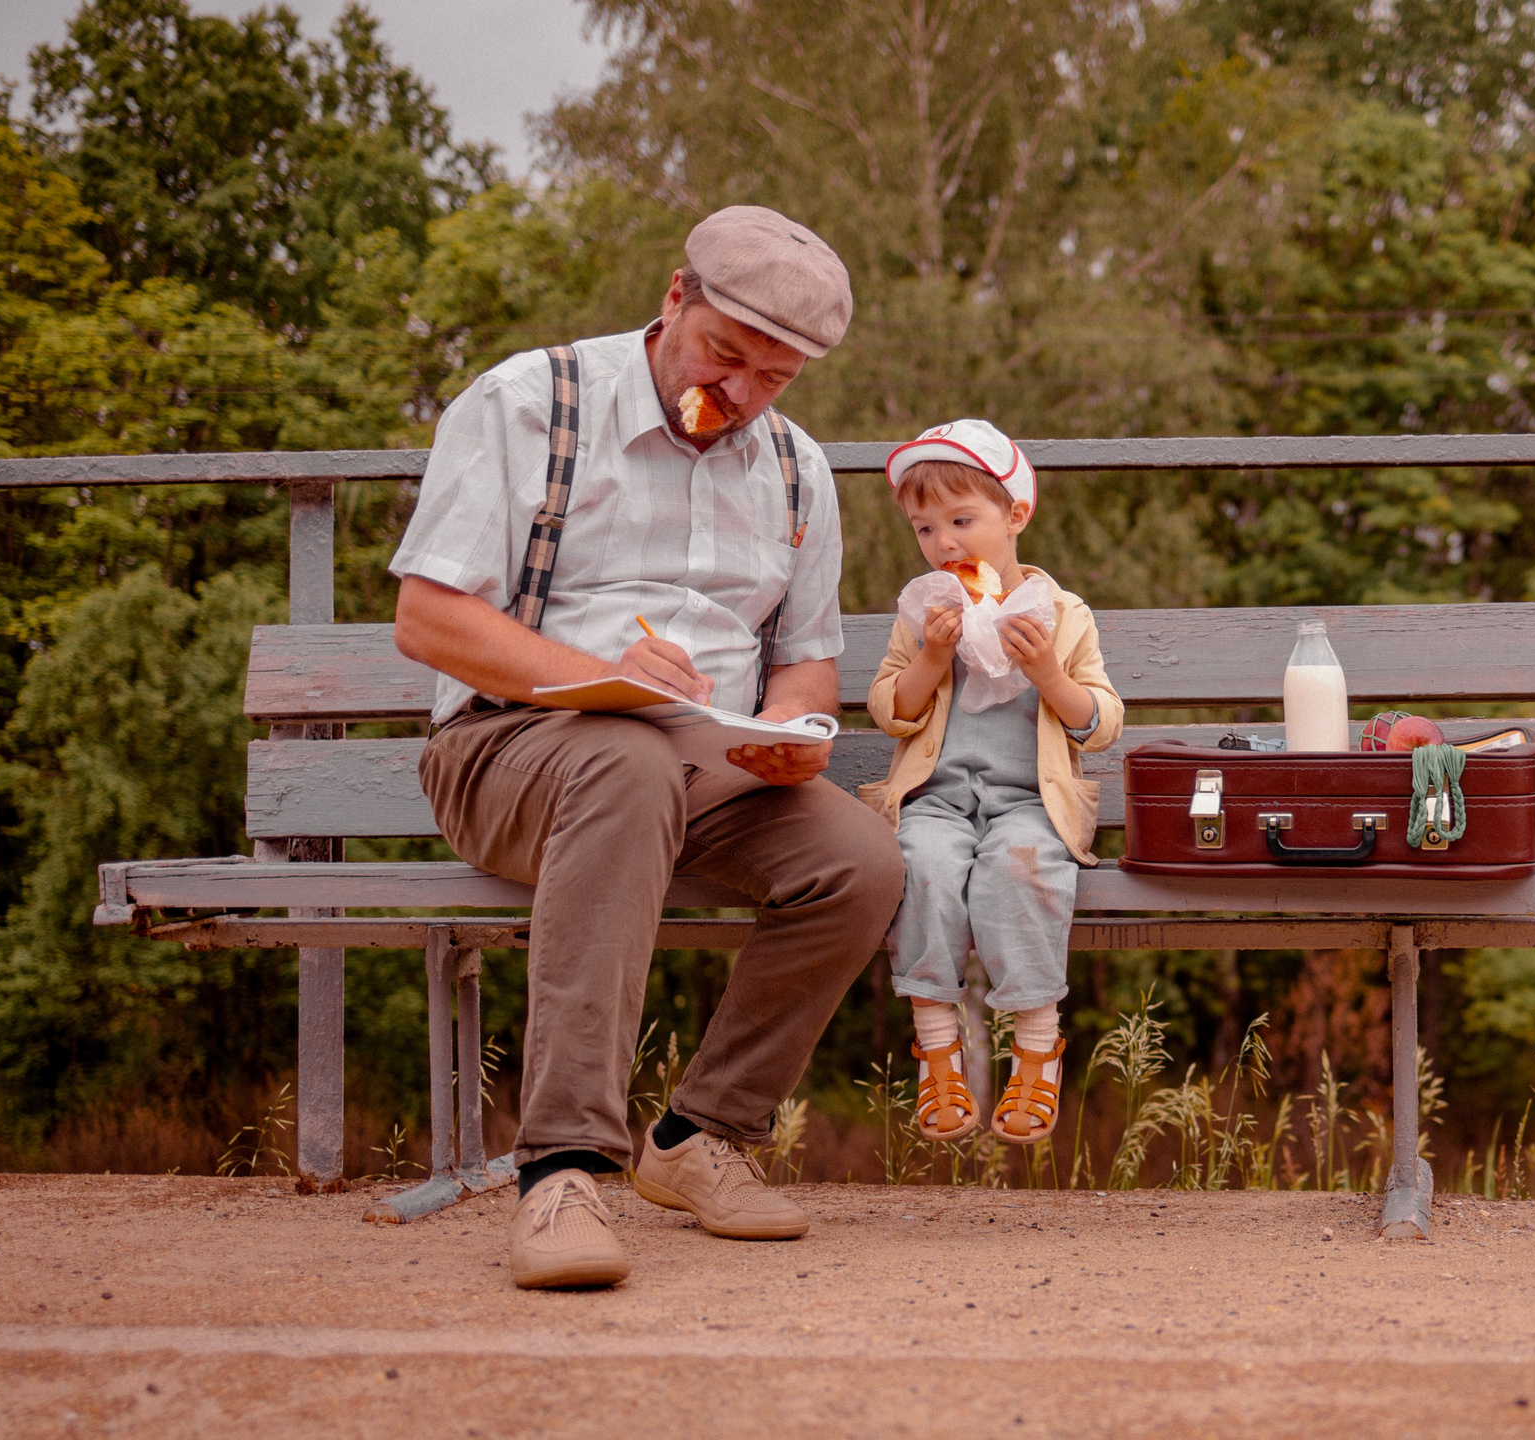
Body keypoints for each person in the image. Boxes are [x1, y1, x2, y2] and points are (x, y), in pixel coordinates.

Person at [388, 206, 905, 1291]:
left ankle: (700, 1136)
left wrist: (801, 738)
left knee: (861, 861)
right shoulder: (528, 403)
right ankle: (562, 1168)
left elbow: (807, 665)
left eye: (777, 376)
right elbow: (429, 621)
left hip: (704, 762)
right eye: (726, 354)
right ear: (674, 299)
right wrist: (590, 679)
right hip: (510, 746)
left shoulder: (798, 469)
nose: (743, 393)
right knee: (620, 761)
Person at [862, 420, 1122, 1147]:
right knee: (922, 867)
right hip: (938, 799)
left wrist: (1047, 675)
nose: (945, 543)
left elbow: (1101, 722)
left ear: (1015, 517)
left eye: (962, 520)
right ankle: (936, 1046)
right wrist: (931, 659)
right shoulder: (923, 615)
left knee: (1022, 869)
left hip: (1028, 804)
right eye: (925, 528)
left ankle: (1037, 1045)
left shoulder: (1063, 615)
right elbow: (891, 710)